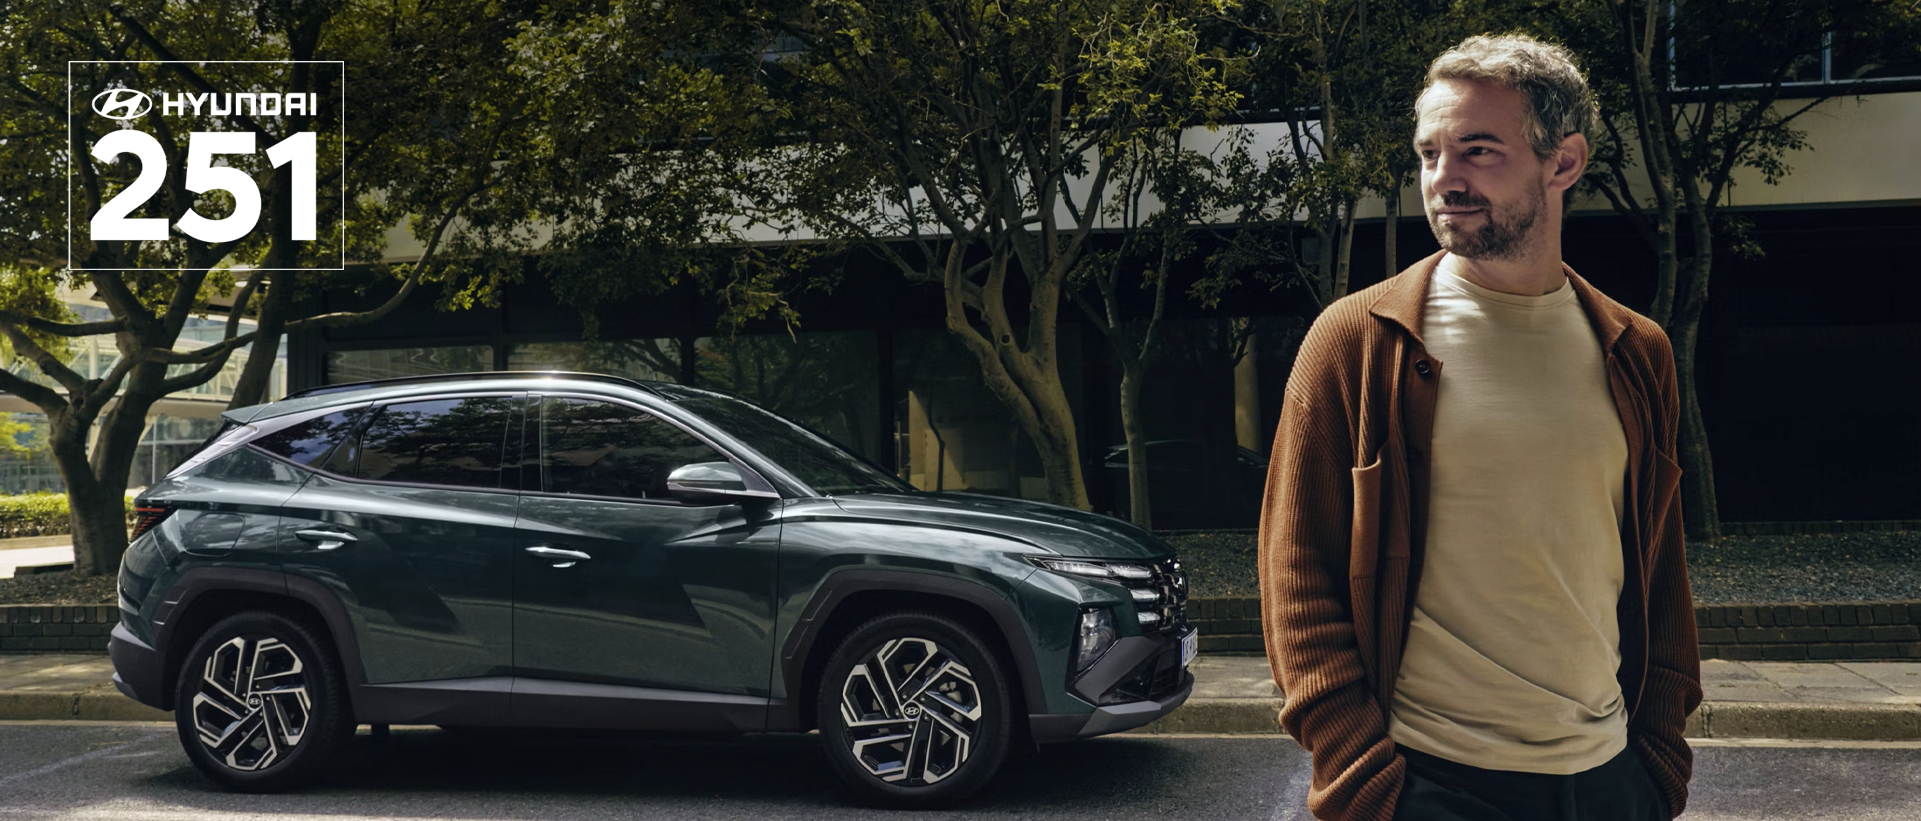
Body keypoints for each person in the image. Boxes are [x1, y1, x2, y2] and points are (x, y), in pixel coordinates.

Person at [1257, 33, 1701, 821]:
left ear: (1562, 162)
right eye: (1429, 153)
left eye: (1477, 151)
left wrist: (1656, 763)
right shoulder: (1358, 340)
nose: (1442, 179)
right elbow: (1296, 576)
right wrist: (1365, 780)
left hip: (1608, 779)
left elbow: (1659, 567)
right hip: (1431, 782)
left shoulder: (1637, 352)